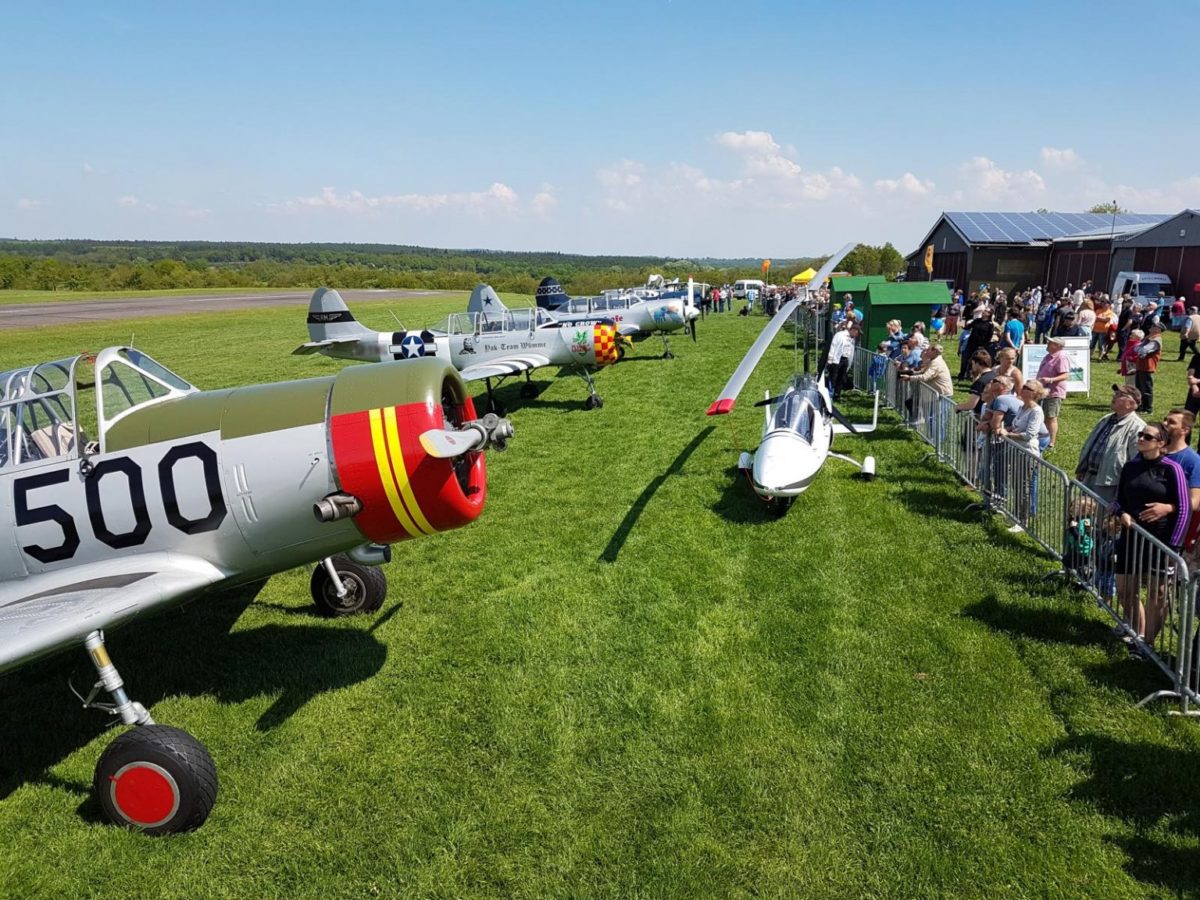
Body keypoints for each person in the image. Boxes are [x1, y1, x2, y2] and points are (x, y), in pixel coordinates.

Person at [1111, 421, 1190, 653]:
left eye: (1148, 436)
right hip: (1130, 537)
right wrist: (1121, 513)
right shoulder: (1130, 467)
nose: (1141, 439)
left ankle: (1148, 644)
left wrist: (1173, 547)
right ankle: (1139, 631)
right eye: (1141, 435)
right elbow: (1118, 500)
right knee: (1125, 589)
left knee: (1158, 593)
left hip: (1161, 542)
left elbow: (1184, 507)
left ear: (1161, 444)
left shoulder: (1171, 469)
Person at [1074, 385, 1146, 504]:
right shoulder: (1106, 419)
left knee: (1103, 519)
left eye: (1119, 395)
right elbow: (1090, 444)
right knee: (1085, 517)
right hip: (1089, 477)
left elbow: (1136, 461)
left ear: (1131, 403)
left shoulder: (1138, 427)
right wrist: (1083, 468)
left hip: (1110, 484)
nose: (1114, 396)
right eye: (1115, 393)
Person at [1036, 335, 1071, 451]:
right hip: (1044, 391)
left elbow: (1065, 375)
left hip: (1054, 392)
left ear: (1057, 346)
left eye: (1050, 342)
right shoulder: (1048, 356)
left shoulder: (1061, 357)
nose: (1047, 343)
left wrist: (1050, 380)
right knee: (1044, 416)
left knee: (1051, 417)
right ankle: (1044, 438)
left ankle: (1051, 442)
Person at [1133, 324, 1163, 413]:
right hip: (1141, 366)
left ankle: (1147, 408)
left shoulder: (1156, 340)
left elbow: (1143, 349)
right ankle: (1141, 406)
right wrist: (1140, 348)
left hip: (1147, 367)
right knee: (1139, 387)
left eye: (1154, 326)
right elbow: (1136, 348)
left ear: (1158, 330)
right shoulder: (1149, 337)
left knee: (1146, 388)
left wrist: (1140, 348)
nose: (1151, 327)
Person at [824, 322, 859, 400]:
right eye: (857, 332)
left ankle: (837, 394)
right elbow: (833, 346)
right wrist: (830, 360)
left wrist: (849, 363)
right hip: (836, 359)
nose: (857, 335)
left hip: (845, 359)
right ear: (853, 330)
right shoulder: (840, 335)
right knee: (833, 376)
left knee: (841, 377)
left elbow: (851, 351)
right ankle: (830, 392)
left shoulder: (852, 339)